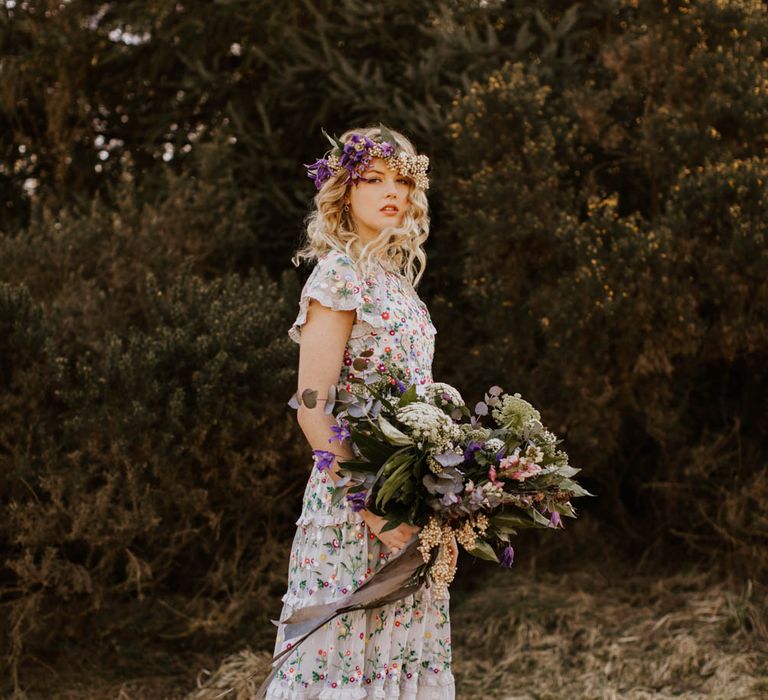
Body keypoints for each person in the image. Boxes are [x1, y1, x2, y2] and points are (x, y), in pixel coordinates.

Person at [264, 125, 457, 699]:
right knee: (343, 665)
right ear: (345, 191)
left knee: (397, 663)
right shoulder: (338, 275)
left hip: (408, 501)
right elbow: (311, 408)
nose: (391, 191)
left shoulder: (397, 283)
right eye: (374, 179)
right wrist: (377, 515)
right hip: (354, 510)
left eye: (402, 179)